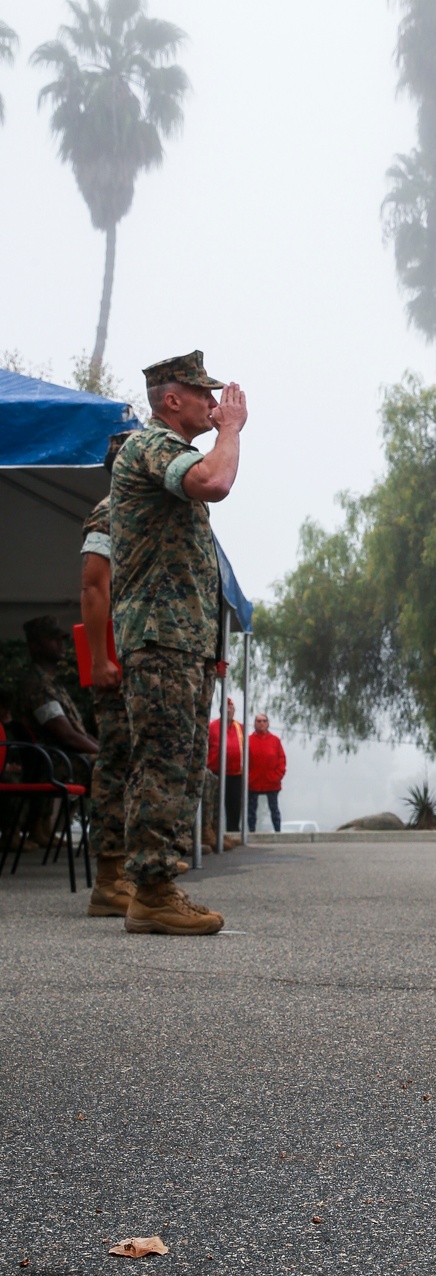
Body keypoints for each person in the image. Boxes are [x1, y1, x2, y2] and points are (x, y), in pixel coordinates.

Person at [111, 350, 247, 936]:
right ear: (172, 400)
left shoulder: (173, 449)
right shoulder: (152, 447)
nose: (212, 404)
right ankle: (149, 890)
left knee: (184, 763)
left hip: (183, 641)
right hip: (159, 637)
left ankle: (160, 884)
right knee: (162, 762)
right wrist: (233, 430)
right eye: (202, 394)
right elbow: (214, 481)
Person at [80, 432, 140, 916]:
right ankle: (108, 877)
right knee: (116, 763)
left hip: (135, 657)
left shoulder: (136, 511)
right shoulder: (109, 511)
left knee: (137, 763)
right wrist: (101, 659)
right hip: (116, 659)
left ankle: (130, 866)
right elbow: (94, 586)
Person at [16, 615, 99, 844]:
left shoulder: (51, 683)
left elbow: (78, 732)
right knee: (115, 770)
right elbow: (66, 735)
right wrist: (103, 754)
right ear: (35, 646)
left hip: (62, 759)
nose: (62, 644)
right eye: (53, 639)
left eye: (61, 638)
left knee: (114, 762)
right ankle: (123, 842)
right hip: (53, 762)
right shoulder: (38, 685)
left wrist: (102, 749)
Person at [208, 696, 245, 835]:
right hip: (216, 771)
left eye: (231, 708)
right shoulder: (213, 727)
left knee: (234, 804)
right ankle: (213, 831)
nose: (229, 711)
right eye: (226, 708)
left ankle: (233, 830)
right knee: (215, 803)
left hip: (235, 773)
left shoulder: (239, 728)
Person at [248, 713, 286, 833]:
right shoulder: (248, 740)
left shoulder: (275, 740)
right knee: (251, 809)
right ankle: (252, 832)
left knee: (274, 809)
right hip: (253, 782)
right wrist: (247, 778)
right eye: (258, 721)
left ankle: (278, 831)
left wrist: (277, 776)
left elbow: (282, 760)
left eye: (264, 721)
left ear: (268, 723)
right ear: (255, 723)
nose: (261, 723)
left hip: (271, 782)